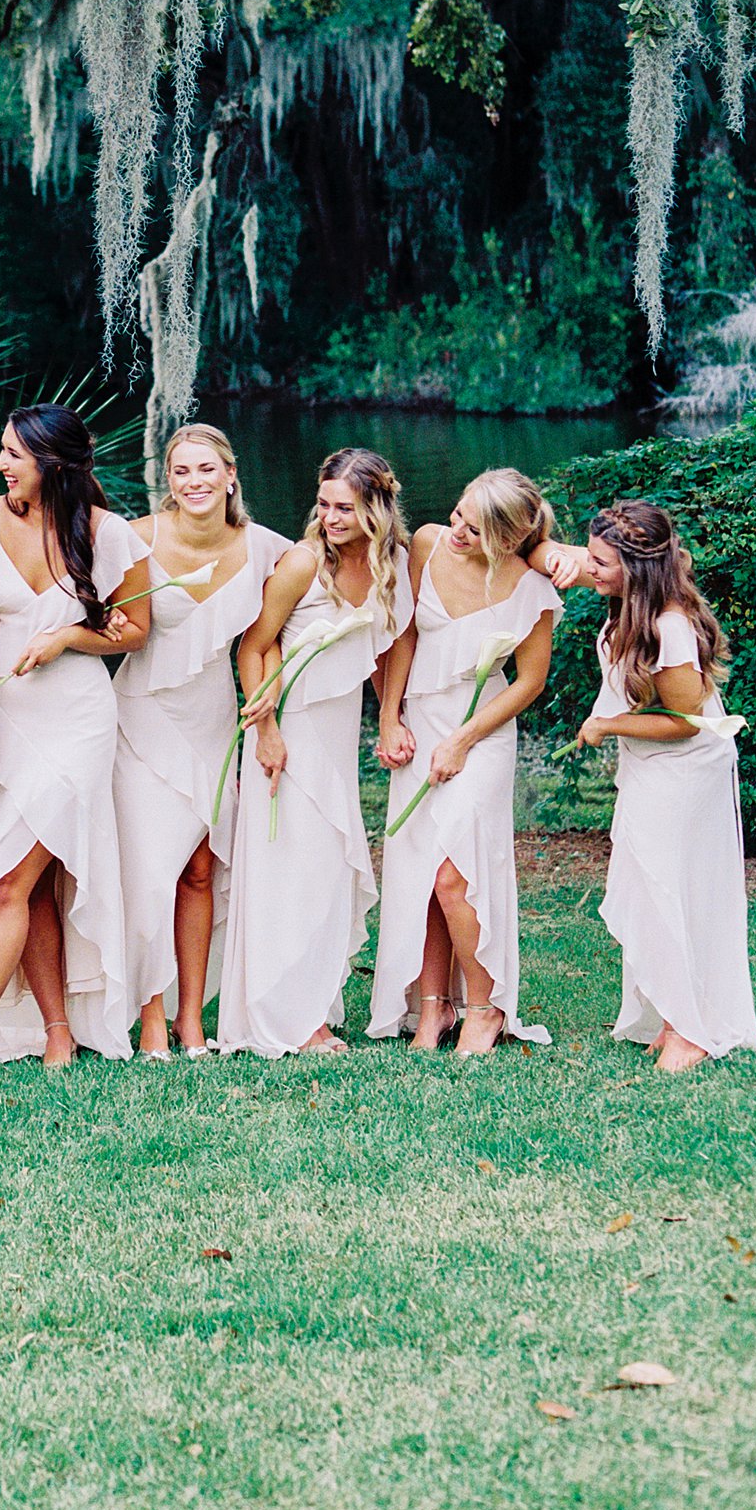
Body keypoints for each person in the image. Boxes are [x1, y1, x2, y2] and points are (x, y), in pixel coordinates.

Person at [0, 403, 151, 1082]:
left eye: (14, 455)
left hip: (78, 718)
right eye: (1, 451)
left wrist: (66, 636)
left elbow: (136, 628)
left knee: (13, 880)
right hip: (7, 716)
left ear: (52, 463)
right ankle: (57, 1032)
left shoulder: (106, 531)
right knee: (28, 890)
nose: (0, 464)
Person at [543, 499, 756, 1071]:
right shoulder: (622, 598)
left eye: (602, 564)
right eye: (589, 558)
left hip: (686, 769)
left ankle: (691, 1030)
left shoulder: (669, 626)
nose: (590, 570)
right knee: (647, 885)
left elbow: (687, 720)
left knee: (669, 888)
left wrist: (609, 723)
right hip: (648, 765)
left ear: (637, 570)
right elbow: (545, 549)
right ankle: (669, 1018)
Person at [219, 447, 411, 1057]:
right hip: (287, 730)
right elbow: (254, 647)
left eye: (345, 508)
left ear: (377, 508)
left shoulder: (393, 563)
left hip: (335, 730)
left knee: (325, 874)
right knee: (287, 871)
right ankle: (290, 1020)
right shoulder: (304, 563)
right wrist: (266, 728)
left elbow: (395, 641)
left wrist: (389, 716)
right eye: (324, 504)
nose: (330, 518)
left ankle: (314, 1002)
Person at [112, 424, 288, 1058]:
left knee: (198, 868)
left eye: (206, 469)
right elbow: (77, 591)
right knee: (148, 869)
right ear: (169, 479)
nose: (195, 482)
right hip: (143, 715)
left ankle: (192, 1017)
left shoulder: (266, 549)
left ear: (230, 474)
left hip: (213, 719)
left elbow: (331, 581)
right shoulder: (136, 538)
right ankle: (150, 1014)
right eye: (182, 471)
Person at [371, 470, 561, 1055]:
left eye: (475, 530)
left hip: (482, 733)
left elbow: (530, 682)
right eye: (457, 515)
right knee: (424, 874)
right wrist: (389, 716)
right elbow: (402, 636)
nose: (457, 531)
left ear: (508, 538)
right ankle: (433, 1007)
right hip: (419, 719)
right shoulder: (426, 545)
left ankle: (485, 1007)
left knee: (458, 876)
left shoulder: (531, 588)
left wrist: (463, 739)